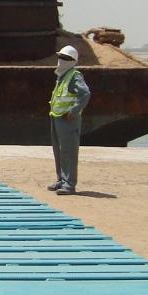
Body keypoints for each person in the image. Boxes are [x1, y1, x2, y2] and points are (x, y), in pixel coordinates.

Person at [47, 44, 90, 195]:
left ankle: (69, 184)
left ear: (72, 61)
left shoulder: (74, 76)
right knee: (58, 151)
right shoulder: (62, 76)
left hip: (68, 120)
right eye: (60, 57)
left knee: (68, 151)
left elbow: (85, 94)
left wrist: (74, 111)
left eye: (65, 58)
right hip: (56, 117)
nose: (61, 60)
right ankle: (61, 180)